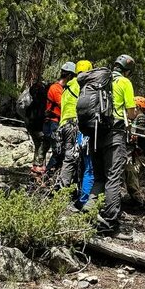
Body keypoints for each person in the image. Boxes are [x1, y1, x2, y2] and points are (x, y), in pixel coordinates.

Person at [82, 54, 139, 238]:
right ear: (127, 71)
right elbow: (130, 114)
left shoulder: (99, 81)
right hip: (115, 134)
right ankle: (110, 224)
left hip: (95, 134)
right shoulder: (124, 83)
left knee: (99, 177)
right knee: (113, 177)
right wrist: (134, 113)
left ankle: (89, 212)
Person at [57, 60, 91, 191]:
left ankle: (65, 184)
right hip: (73, 124)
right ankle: (63, 189)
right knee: (71, 157)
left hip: (63, 125)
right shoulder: (80, 84)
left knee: (68, 155)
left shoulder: (67, 88)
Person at [42, 62, 76, 175]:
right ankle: (47, 174)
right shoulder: (56, 89)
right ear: (70, 76)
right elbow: (64, 105)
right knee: (58, 151)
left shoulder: (62, 88)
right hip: (53, 123)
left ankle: (51, 173)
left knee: (60, 151)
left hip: (57, 123)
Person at [125, 96, 145, 208]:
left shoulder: (140, 119)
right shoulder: (144, 118)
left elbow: (135, 136)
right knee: (139, 176)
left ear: (138, 107)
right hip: (140, 151)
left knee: (133, 174)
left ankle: (138, 199)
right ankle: (141, 198)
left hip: (137, 152)